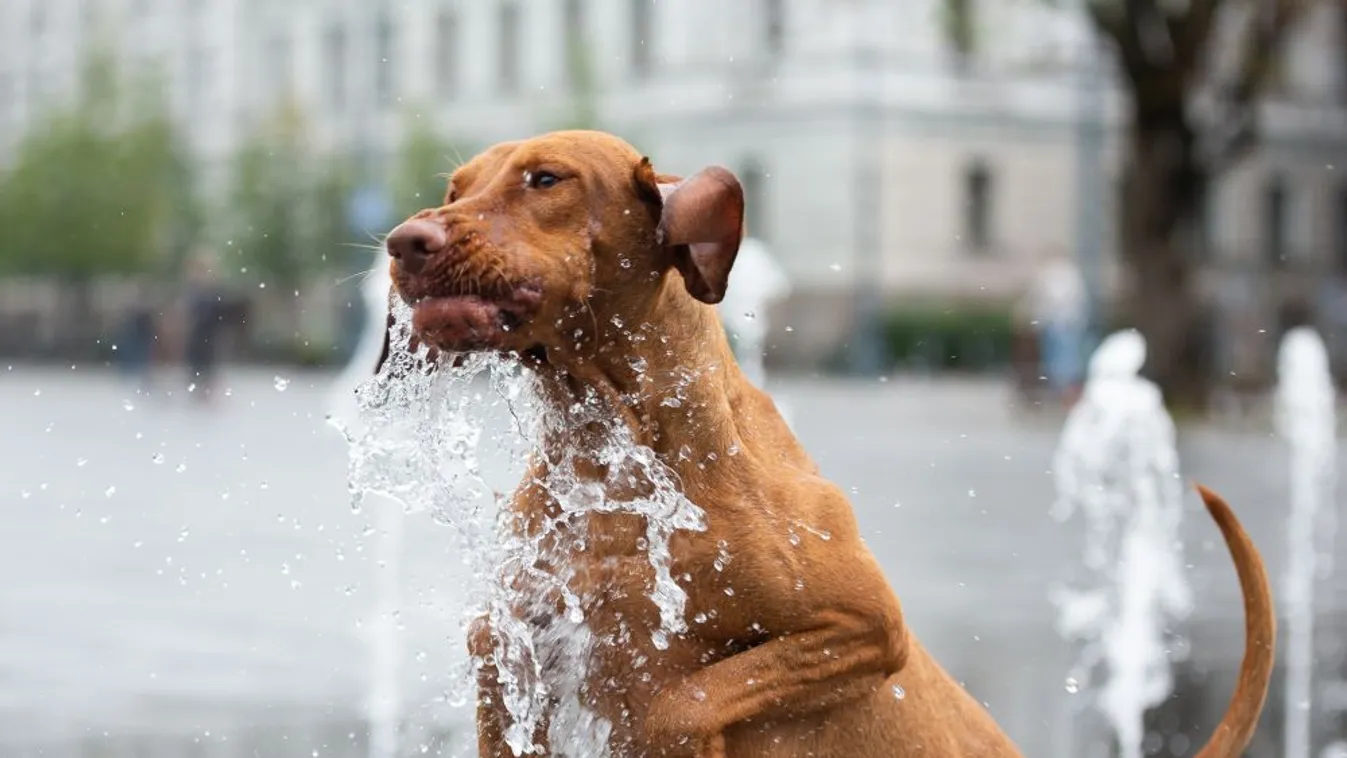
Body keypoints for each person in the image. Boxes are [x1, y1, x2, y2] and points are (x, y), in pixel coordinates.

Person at [1027, 249, 1088, 406]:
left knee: (1061, 359)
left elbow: (1048, 298)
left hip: (1059, 323)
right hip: (1065, 323)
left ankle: (1063, 390)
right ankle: (1064, 390)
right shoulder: (1069, 272)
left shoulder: (1057, 273)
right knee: (1063, 358)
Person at [182, 251, 225, 403]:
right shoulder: (195, 290)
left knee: (205, 365)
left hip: (205, 335)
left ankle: (205, 392)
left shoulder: (209, 291)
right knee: (198, 365)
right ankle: (201, 392)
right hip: (199, 336)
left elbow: (212, 314)